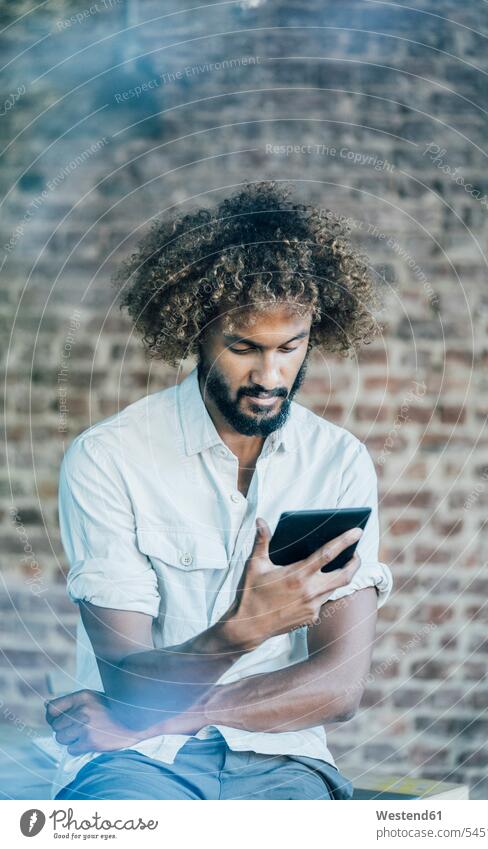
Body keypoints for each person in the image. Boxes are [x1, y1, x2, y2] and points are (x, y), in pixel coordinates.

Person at [46, 182, 393, 800]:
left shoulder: (338, 461)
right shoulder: (110, 457)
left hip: (279, 757)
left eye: (292, 347)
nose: (271, 375)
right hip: (137, 765)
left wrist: (183, 712)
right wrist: (242, 631)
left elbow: (339, 688)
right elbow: (127, 685)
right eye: (243, 348)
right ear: (194, 333)